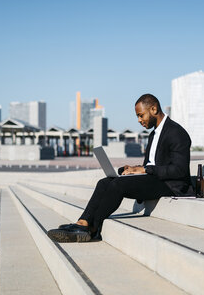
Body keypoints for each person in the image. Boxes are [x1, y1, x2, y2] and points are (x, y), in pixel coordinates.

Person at [47, 94, 194, 243]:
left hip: (169, 184)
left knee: (118, 185)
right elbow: (153, 164)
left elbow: (179, 170)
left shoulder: (176, 132)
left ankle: (92, 229)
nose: (139, 120)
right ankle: (82, 222)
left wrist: (145, 170)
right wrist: (134, 169)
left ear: (154, 109)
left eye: (141, 115)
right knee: (105, 182)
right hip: (154, 178)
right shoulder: (153, 135)